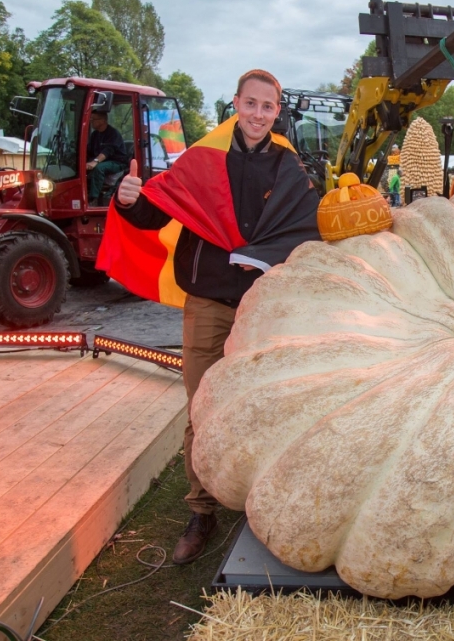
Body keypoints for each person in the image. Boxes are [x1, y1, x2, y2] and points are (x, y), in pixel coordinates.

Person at [112, 69, 321, 564]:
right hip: (208, 301)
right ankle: (201, 509)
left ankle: (260, 497)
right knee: (201, 405)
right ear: (235, 104)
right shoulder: (202, 159)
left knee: (268, 403)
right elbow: (157, 210)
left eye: (267, 107)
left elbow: (307, 227)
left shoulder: (290, 168)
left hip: (263, 305)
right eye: (250, 104)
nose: (257, 114)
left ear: (277, 111)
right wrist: (128, 203)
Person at [86, 111, 129, 200]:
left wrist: (95, 161)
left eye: (93, 119)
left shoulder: (113, 134)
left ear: (103, 120)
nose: (91, 121)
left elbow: (108, 150)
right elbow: (89, 151)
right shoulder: (95, 134)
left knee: (99, 168)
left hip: (117, 162)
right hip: (103, 161)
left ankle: (93, 198)